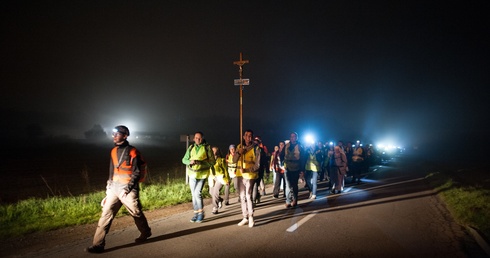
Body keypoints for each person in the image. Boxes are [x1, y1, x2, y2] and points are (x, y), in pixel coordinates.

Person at [85, 125, 151, 254]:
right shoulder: (113, 151)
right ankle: (98, 245)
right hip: (114, 188)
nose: (114, 136)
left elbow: (136, 173)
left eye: (117, 134)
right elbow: (112, 171)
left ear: (125, 136)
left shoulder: (133, 151)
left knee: (136, 212)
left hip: (128, 189)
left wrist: (127, 189)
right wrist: (108, 190)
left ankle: (145, 232)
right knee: (106, 214)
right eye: (113, 134)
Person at [182, 132, 215, 223]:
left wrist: (201, 163)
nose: (198, 139)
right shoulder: (191, 147)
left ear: (203, 138)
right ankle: (196, 213)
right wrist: (190, 161)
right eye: (196, 138)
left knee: (197, 193)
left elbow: (213, 162)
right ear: (193, 139)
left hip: (202, 174)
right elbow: (184, 160)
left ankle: (201, 213)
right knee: (193, 195)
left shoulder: (207, 148)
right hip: (192, 174)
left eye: (199, 138)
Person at [233, 129, 261, 227]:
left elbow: (258, 164)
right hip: (240, 175)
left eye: (250, 136)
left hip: (250, 175)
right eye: (246, 135)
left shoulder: (256, 148)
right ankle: (245, 217)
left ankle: (251, 217)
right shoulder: (239, 146)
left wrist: (248, 170)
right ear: (244, 136)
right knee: (242, 197)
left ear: (252, 137)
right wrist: (238, 153)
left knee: (248, 196)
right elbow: (234, 160)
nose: (248, 137)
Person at [281, 132, 306, 208]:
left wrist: (302, 170)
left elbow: (303, 159)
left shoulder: (300, 147)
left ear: (296, 138)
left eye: (294, 136)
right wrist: (282, 164)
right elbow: (281, 155)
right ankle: (288, 201)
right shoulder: (286, 146)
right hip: (287, 167)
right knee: (288, 185)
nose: (293, 138)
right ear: (290, 138)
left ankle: (295, 200)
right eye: (291, 137)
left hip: (296, 167)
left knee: (294, 185)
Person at [210, 146, 229, 214]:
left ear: (217, 152)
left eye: (215, 151)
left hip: (220, 177)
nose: (213, 152)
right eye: (212, 151)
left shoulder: (221, 160)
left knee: (215, 192)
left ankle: (215, 208)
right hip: (212, 177)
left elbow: (225, 170)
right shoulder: (209, 160)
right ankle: (220, 200)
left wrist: (227, 180)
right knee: (211, 192)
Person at [252, 136, 268, 203]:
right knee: (253, 185)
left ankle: (253, 200)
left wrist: (267, 171)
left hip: (259, 170)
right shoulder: (250, 150)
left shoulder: (261, 150)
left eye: (256, 142)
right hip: (251, 170)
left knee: (255, 184)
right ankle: (256, 196)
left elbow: (265, 161)